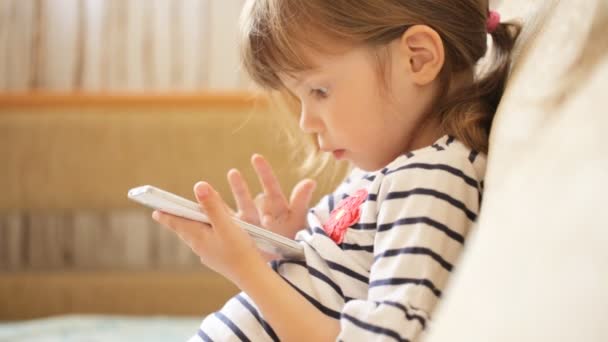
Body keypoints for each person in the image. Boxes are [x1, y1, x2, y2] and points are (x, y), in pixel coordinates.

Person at [152, 0, 521, 340]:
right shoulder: (391, 170)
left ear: (417, 59)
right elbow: (341, 289)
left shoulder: (432, 179)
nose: (305, 122)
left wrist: (247, 270)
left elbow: (385, 336)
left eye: (319, 91)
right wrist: (289, 249)